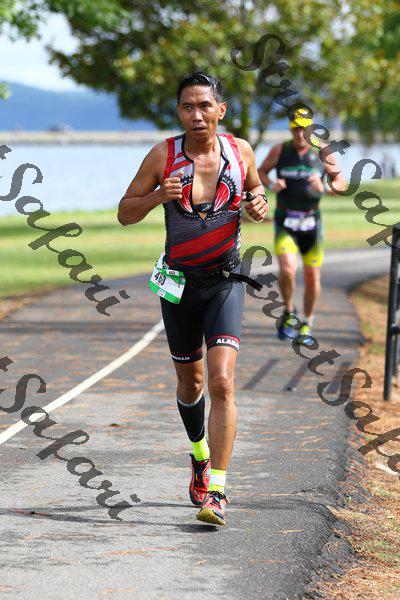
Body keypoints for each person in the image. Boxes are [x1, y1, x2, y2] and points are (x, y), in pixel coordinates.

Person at [118, 72, 268, 526]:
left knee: (222, 382)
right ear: (179, 112)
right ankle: (199, 455)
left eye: (205, 105)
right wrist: (155, 196)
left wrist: (258, 204)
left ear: (221, 109)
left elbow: (256, 190)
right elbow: (124, 213)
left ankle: (217, 491)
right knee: (192, 385)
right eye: (187, 106)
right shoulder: (163, 155)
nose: (196, 115)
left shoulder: (240, 151)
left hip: (225, 281)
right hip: (179, 285)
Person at [257, 108, 346, 345]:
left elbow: (341, 183)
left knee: (312, 276)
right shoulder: (280, 150)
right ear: (290, 129)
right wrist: (271, 184)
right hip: (285, 219)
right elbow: (261, 172)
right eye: (296, 129)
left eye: (304, 129)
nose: (300, 134)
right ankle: (289, 311)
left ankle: (307, 322)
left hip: (311, 222)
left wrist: (324, 187)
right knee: (287, 270)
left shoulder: (322, 152)